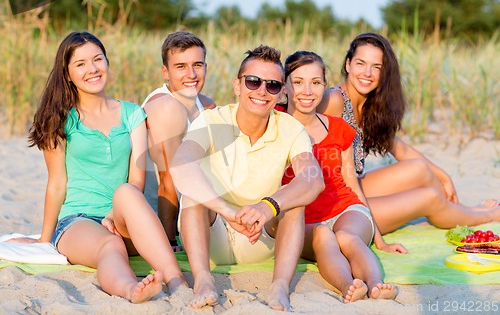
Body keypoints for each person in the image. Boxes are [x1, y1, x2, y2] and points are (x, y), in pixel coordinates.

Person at [8, 31, 187, 303]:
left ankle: (178, 282)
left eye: (97, 59)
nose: (92, 69)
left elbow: (136, 180)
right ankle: (131, 289)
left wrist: (115, 214)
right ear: (67, 74)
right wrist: (45, 240)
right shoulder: (60, 120)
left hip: (125, 219)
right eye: (80, 64)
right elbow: (57, 184)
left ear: (107, 62)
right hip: (78, 222)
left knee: (127, 192)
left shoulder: (132, 114)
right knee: (110, 244)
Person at [169, 45, 325, 311]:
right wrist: (227, 211)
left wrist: (268, 206)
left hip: (259, 235)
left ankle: (279, 287)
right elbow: (181, 164)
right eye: (253, 82)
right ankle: (204, 280)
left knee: (295, 200)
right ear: (238, 86)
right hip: (212, 231)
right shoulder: (211, 120)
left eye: (273, 85)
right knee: (193, 194)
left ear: (282, 92)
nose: (262, 91)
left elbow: (313, 179)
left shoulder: (290, 128)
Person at [317, 32, 500, 234]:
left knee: (419, 169)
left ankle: (463, 210)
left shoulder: (369, 106)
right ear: (348, 64)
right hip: (333, 204)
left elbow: (401, 149)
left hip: (353, 186)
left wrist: (443, 175)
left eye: (376, 67)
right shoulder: (334, 99)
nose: (367, 73)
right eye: (361, 63)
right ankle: (487, 216)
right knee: (429, 197)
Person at [281, 50, 406, 302]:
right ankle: (348, 285)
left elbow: (351, 183)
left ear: (325, 86)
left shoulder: (339, 128)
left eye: (316, 82)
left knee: (347, 237)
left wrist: (379, 240)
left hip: (345, 208)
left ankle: (376, 284)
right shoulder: (275, 126)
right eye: (298, 82)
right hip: (304, 220)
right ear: (284, 87)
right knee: (325, 238)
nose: (307, 91)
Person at [141, 31, 215, 251]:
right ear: (166, 72)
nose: (191, 74)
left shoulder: (206, 105)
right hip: (157, 219)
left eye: (197, 65)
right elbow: (168, 179)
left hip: (192, 211)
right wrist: (170, 241)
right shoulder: (165, 106)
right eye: (180, 66)